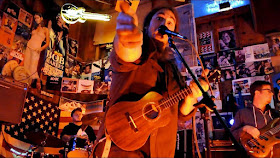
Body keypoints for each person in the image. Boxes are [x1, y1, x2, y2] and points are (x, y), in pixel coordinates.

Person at [95, 4, 209, 157]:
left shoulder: (173, 69)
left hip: (161, 151)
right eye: (159, 18)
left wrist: (192, 95)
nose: (164, 24)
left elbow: (180, 114)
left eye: (170, 22)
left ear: (173, 33)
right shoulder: (140, 52)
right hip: (122, 148)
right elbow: (127, 55)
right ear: (148, 25)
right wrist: (127, 40)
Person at [231, 80, 280, 157]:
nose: (272, 93)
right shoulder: (243, 113)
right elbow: (232, 136)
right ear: (257, 93)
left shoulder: (275, 114)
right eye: (268, 91)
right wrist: (245, 128)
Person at [23, 13, 50, 89]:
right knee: (26, 66)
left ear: (41, 18)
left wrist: (40, 49)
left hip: (36, 49)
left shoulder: (45, 30)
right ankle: (26, 84)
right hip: (29, 46)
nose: (36, 19)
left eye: (37, 18)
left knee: (33, 67)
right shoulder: (34, 28)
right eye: (35, 18)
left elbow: (47, 43)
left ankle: (38, 82)